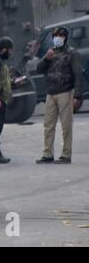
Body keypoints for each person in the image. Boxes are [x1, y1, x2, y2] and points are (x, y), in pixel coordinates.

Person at [36, 26, 84, 164]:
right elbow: (39, 68)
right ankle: (47, 154)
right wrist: (46, 58)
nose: (58, 38)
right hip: (50, 93)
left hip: (65, 92)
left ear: (65, 38)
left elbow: (78, 75)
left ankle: (66, 154)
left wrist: (78, 96)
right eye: (56, 36)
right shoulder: (51, 52)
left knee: (66, 125)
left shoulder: (72, 53)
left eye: (61, 36)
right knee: (48, 126)